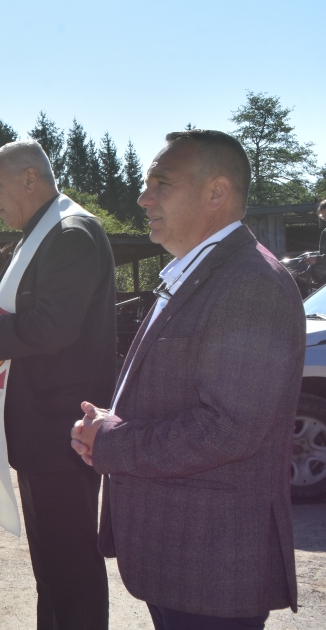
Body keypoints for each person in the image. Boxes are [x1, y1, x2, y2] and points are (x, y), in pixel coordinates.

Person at [71, 130, 300, 629]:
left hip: (212, 570)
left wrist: (112, 442)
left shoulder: (250, 284)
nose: (142, 197)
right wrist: (114, 419)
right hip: (186, 560)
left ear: (216, 193)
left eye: (161, 184)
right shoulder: (200, 273)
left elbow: (230, 427)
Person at [0, 139, 116, 629]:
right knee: (53, 570)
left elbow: (55, 326)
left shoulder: (70, 233)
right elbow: (28, 315)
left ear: (29, 179)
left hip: (60, 431)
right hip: (39, 427)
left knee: (71, 567)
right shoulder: (41, 232)